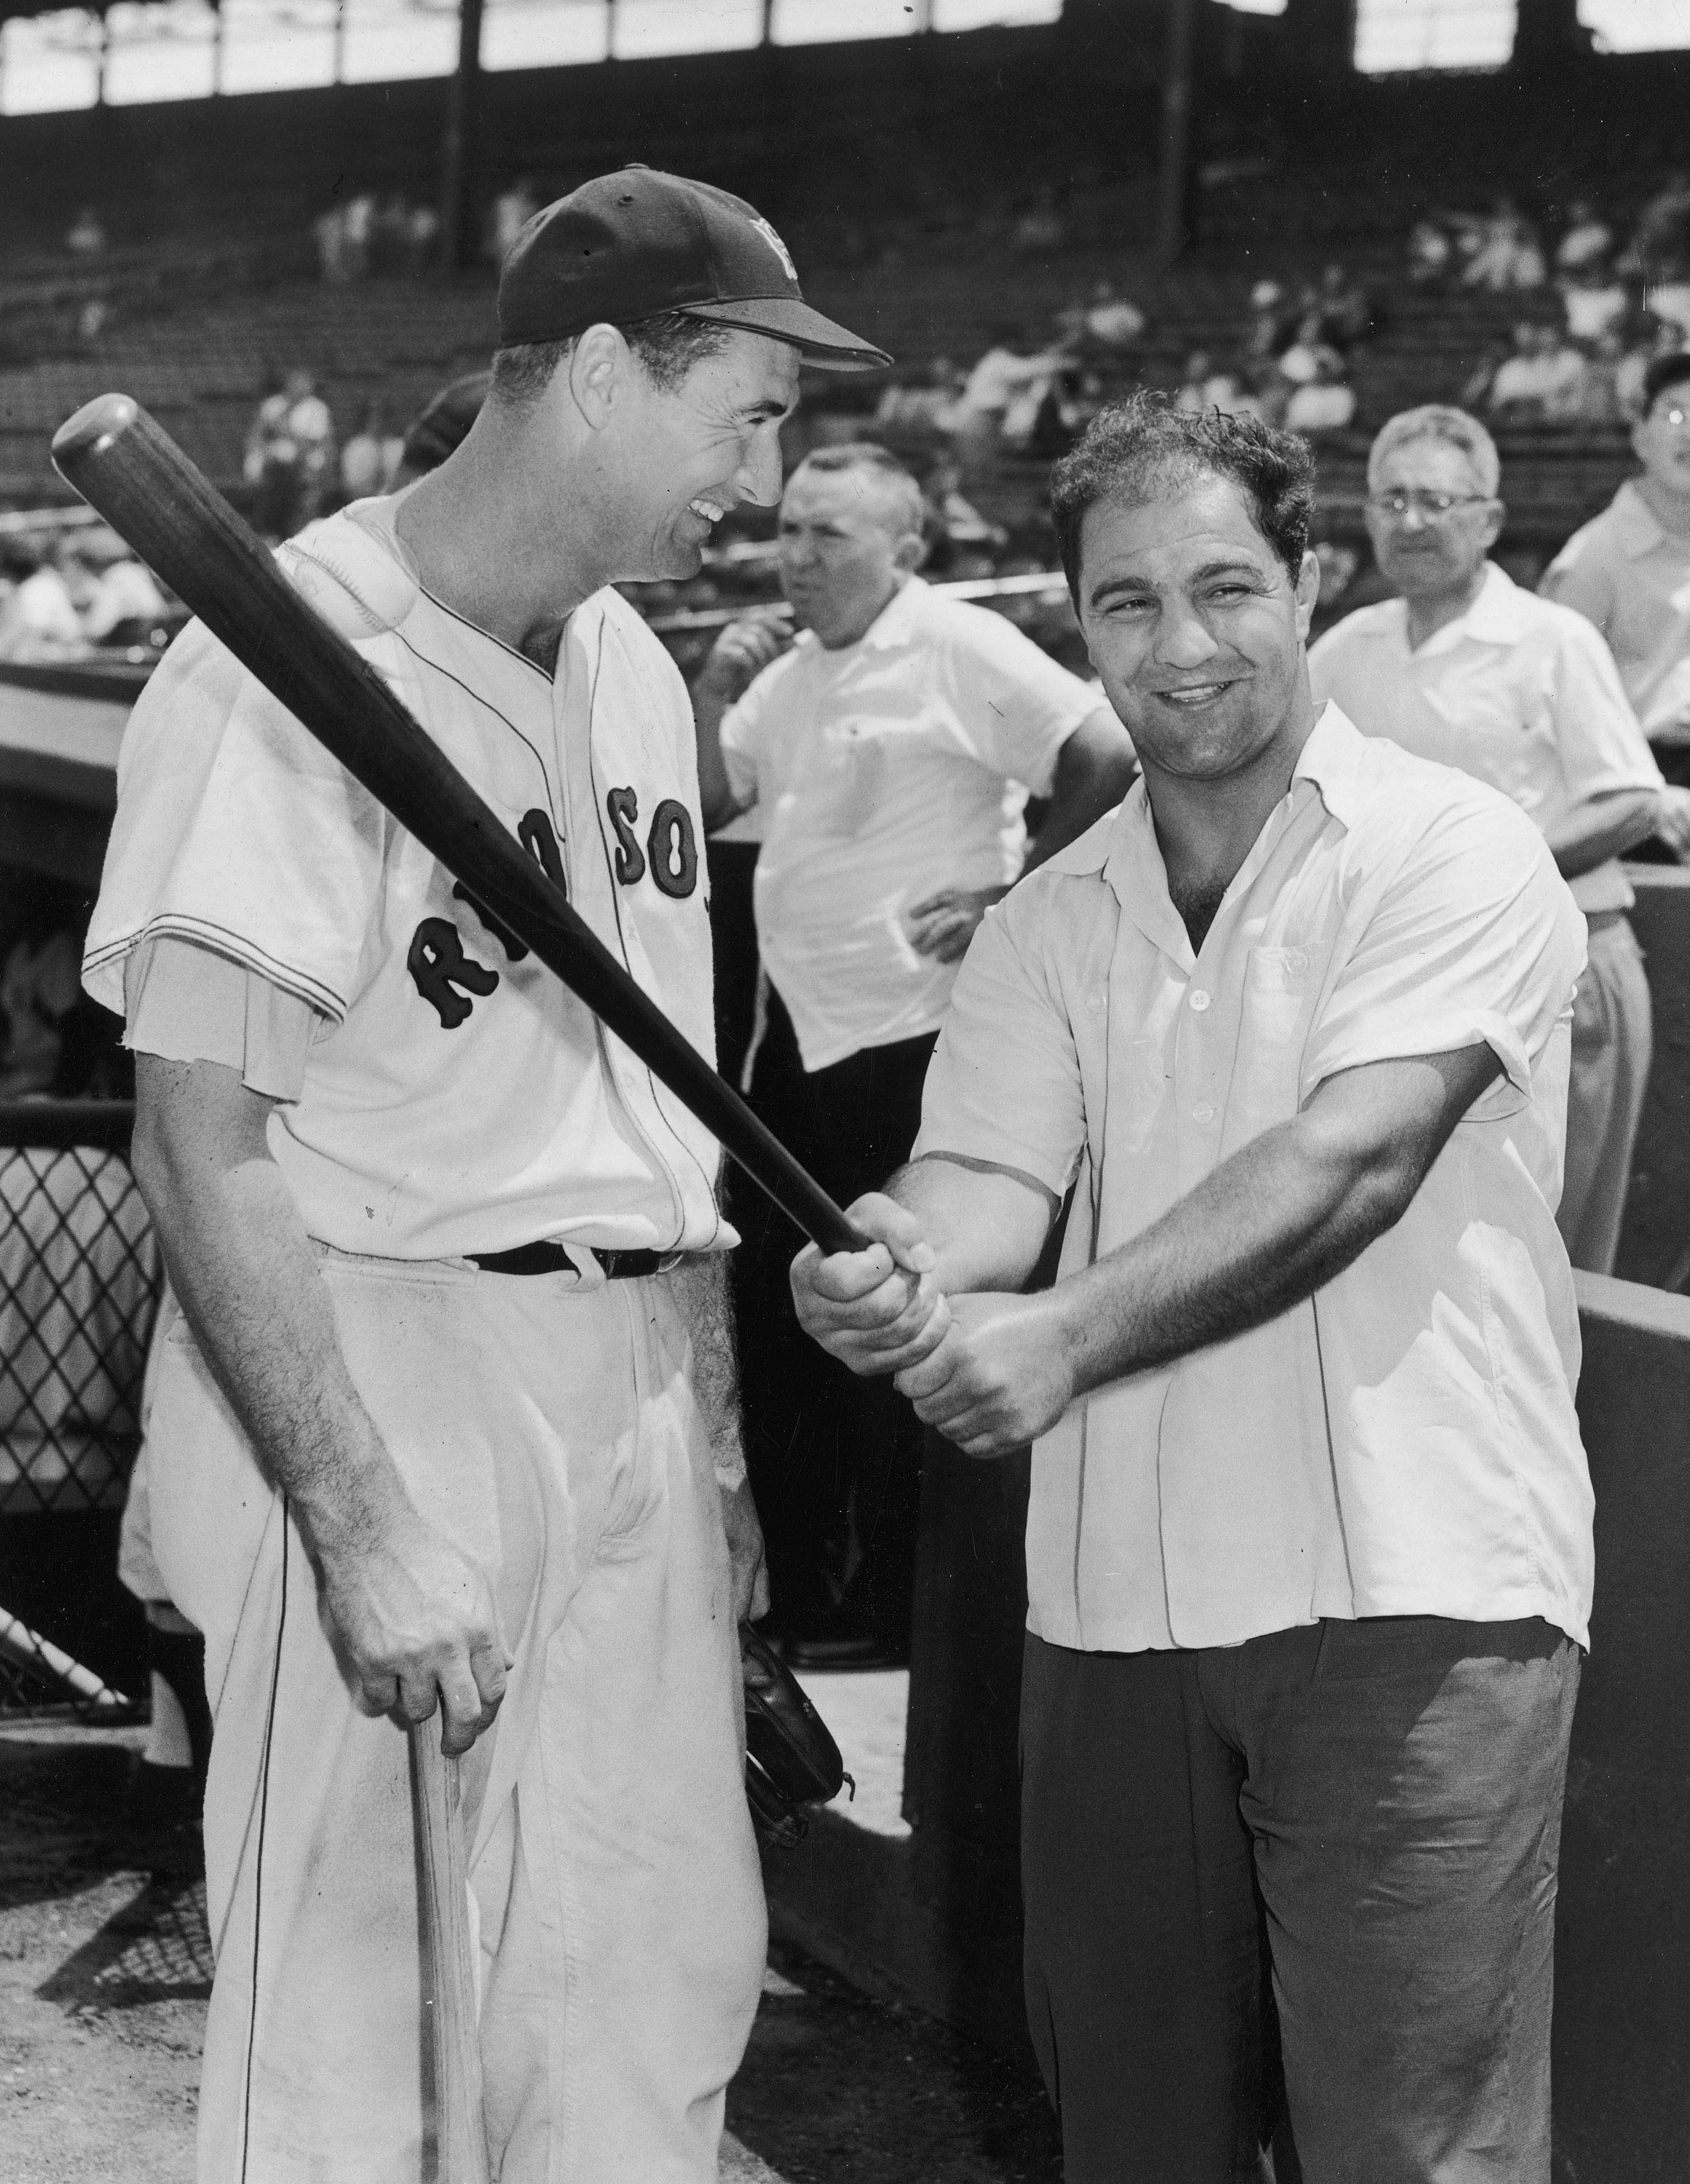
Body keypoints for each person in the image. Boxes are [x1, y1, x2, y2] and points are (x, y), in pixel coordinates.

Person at [79, 164, 889, 2183]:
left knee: (645, 1986)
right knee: (365, 2044)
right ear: (608, 374)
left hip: (620, 1375)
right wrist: (357, 1522)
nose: (769, 468)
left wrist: (707, 1465)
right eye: (754, 411)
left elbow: (650, 1130)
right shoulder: (284, 653)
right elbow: (199, 1135)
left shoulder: (633, 665)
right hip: (378, 1361)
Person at [791, 396, 1594, 2184]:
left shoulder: (1452, 844)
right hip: (1116, 1598)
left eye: (1224, 585)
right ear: (1078, 627)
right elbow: (982, 1177)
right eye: (1127, 602)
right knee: (1133, 2146)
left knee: (1414, 2155)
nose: (1183, 642)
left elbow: (1349, 1165)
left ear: (1303, 584)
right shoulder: (1049, 913)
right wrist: (894, 1255)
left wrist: (1059, 1330)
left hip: (1413, 1585)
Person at [690, 441, 1134, 1663]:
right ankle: (818, 1595)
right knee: (792, 1326)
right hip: (801, 1038)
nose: (797, 556)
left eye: (830, 534)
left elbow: (1098, 751)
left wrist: (1015, 891)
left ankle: (891, 1607)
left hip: (914, 1034)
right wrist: (714, 686)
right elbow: (702, 796)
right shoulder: (789, 676)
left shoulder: (950, 641)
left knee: (900, 1314)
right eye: (788, 532)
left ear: (907, 548)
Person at [1309, 404, 1689, 1277]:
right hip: (1408, 983)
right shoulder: (1346, 649)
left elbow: (1629, 800)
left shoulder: (1549, 639)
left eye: (1437, 501)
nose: (1410, 521)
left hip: (1563, 969)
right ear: (1364, 515)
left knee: (1548, 1261)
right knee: (1435, 1269)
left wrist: (1485, 873)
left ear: (1487, 519)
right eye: (1391, 499)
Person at [1542, 352, 1690, 780]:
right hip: (1645, 777)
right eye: (1676, 415)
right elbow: (1552, 702)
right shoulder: (1592, 557)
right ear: (1641, 437)